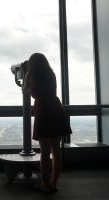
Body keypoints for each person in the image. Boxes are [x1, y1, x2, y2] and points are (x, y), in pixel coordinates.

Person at [22, 53, 72, 192]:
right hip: (56, 108)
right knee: (56, 151)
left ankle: (45, 184)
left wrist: (25, 72)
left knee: (44, 153)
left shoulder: (30, 75)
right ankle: (53, 183)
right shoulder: (52, 74)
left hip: (43, 110)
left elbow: (25, 91)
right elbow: (52, 92)